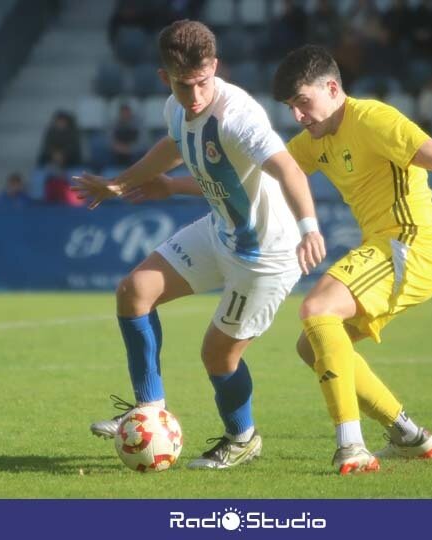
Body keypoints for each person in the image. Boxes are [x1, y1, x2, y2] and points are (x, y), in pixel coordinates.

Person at [71, 20, 326, 470]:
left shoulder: (238, 116)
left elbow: (288, 169)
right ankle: (149, 409)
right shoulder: (177, 106)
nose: (194, 96)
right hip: (221, 231)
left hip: (265, 255)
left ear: (216, 67)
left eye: (202, 82)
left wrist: (310, 226)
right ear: (163, 78)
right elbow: (175, 147)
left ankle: (242, 437)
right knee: (134, 291)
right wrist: (126, 184)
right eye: (182, 85)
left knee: (217, 354)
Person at [272, 45, 432, 474]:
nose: (298, 116)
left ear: (333, 88)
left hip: (410, 247)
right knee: (313, 346)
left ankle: (351, 446)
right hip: (385, 247)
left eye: (303, 102)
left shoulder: (373, 119)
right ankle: (407, 434)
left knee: (316, 308)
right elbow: (266, 171)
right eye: (290, 107)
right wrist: (173, 185)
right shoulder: (316, 138)